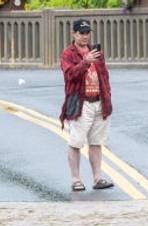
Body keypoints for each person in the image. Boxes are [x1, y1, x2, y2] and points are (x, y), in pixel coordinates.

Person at [59, 19, 114, 192]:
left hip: (99, 101)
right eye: (81, 33)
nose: (85, 36)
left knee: (96, 143)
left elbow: (104, 76)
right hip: (81, 103)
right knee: (76, 142)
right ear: (74, 34)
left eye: (87, 32)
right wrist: (85, 62)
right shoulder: (68, 54)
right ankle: (76, 179)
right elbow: (70, 75)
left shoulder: (95, 52)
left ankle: (97, 178)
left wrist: (108, 98)